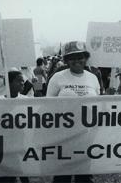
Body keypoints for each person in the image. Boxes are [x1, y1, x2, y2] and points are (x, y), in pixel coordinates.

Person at [47, 41, 100, 183]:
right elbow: (48, 104)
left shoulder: (93, 78)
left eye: (80, 56)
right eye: (72, 57)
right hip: (63, 132)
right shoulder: (57, 77)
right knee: (62, 173)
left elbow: (98, 104)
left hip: (86, 133)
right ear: (66, 60)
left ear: (85, 58)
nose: (77, 60)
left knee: (83, 173)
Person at [0, 70, 29, 183]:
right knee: (5, 175)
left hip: (22, 142)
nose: (22, 83)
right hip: (4, 145)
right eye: (18, 81)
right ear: (9, 83)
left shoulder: (27, 101)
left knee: (24, 173)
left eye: (23, 81)